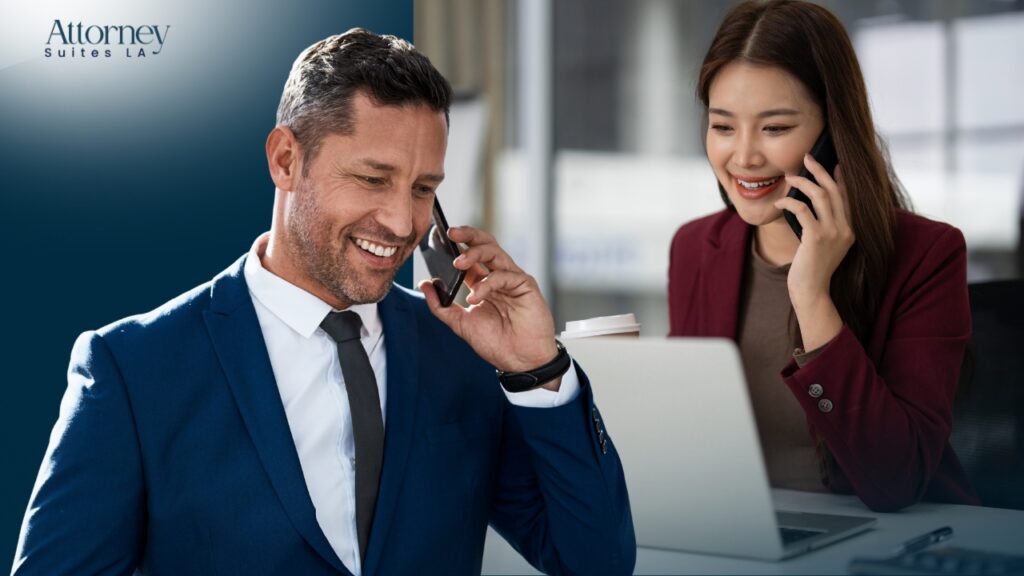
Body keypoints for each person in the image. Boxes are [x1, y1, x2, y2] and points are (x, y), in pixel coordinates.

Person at [12, 29, 635, 575]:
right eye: (372, 178)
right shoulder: (133, 369)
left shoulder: (460, 354)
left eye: (423, 189)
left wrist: (537, 370)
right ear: (286, 159)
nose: (399, 220)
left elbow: (597, 561)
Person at [668, 0, 978, 512]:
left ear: (833, 134)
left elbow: (895, 480)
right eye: (723, 126)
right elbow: (690, 438)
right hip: (739, 537)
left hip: (889, 543)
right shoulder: (695, 248)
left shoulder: (927, 256)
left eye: (775, 128)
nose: (743, 156)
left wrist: (811, 296)